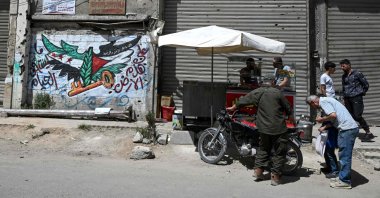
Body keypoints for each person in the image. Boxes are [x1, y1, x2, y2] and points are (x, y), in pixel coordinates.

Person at [227, 74, 292, 186]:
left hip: (263, 128)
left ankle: (258, 172)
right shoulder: (277, 92)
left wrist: (233, 107)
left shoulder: (258, 91)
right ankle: (275, 178)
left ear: (263, 82)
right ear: (273, 82)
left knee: (263, 149)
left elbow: (244, 100)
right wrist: (291, 117)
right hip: (278, 128)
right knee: (279, 152)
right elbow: (288, 108)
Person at [306, 95, 359, 189]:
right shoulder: (327, 100)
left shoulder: (324, 102)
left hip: (347, 129)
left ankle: (345, 181)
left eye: (311, 106)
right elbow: (334, 118)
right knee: (343, 155)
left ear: (313, 102)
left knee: (345, 156)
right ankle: (342, 177)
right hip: (347, 128)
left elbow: (333, 115)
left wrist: (321, 119)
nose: (313, 108)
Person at [340, 59, 374, 142]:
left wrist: (361, 93)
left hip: (356, 98)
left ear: (349, 65)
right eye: (341, 66)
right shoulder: (344, 76)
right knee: (349, 116)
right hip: (347, 98)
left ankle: (368, 132)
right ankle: (352, 131)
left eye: (343, 66)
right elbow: (344, 88)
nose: (342, 68)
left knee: (357, 115)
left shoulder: (357, 74)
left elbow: (366, 84)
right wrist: (344, 98)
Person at [319, 61, 339, 178]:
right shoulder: (324, 76)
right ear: (329, 68)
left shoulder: (328, 76)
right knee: (328, 145)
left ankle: (332, 167)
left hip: (332, 103)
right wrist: (327, 100)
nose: (334, 70)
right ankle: (331, 167)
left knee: (329, 144)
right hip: (329, 102)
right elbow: (322, 89)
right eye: (334, 68)